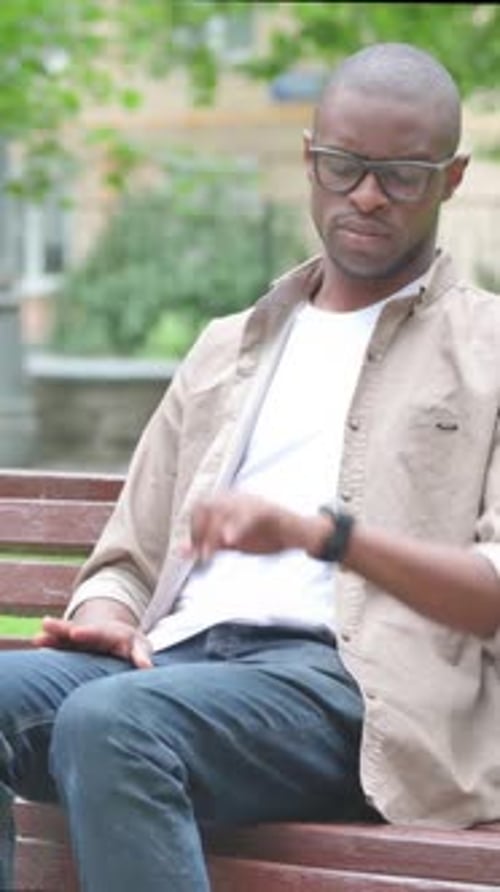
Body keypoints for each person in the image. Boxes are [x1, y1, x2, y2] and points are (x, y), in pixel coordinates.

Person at [2, 40, 500, 892]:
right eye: (343, 166)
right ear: (310, 158)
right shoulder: (229, 345)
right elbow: (127, 557)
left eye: (401, 174)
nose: (367, 195)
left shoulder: (487, 348)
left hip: (349, 693)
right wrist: (104, 610)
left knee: (113, 725)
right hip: (175, 669)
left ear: (450, 179)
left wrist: (324, 536)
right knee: (87, 705)